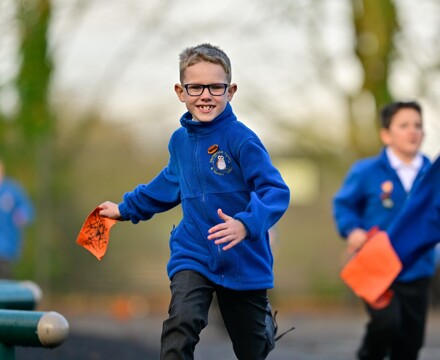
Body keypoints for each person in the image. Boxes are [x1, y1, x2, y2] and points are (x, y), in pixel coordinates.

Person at [99, 43, 292, 360]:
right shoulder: (179, 141)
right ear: (180, 91)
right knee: (181, 325)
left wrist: (246, 224)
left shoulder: (241, 138)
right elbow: (168, 183)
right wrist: (124, 208)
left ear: (230, 90)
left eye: (216, 86)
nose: (206, 95)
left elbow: (275, 190)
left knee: (252, 348)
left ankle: (263, 330)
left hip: (243, 258)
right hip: (194, 253)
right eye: (196, 86)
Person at [333, 100, 435, 360]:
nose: (412, 131)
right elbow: (344, 205)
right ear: (386, 134)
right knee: (385, 325)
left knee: (410, 341)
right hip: (376, 265)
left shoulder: (431, 175)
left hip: (418, 268)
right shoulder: (366, 171)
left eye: (418, 125)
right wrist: (352, 229)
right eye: (404, 125)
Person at [0, 157, 34, 279]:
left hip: (6, 246)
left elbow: (27, 209)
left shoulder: (12, 190)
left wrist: (22, 216)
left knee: (4, 275)